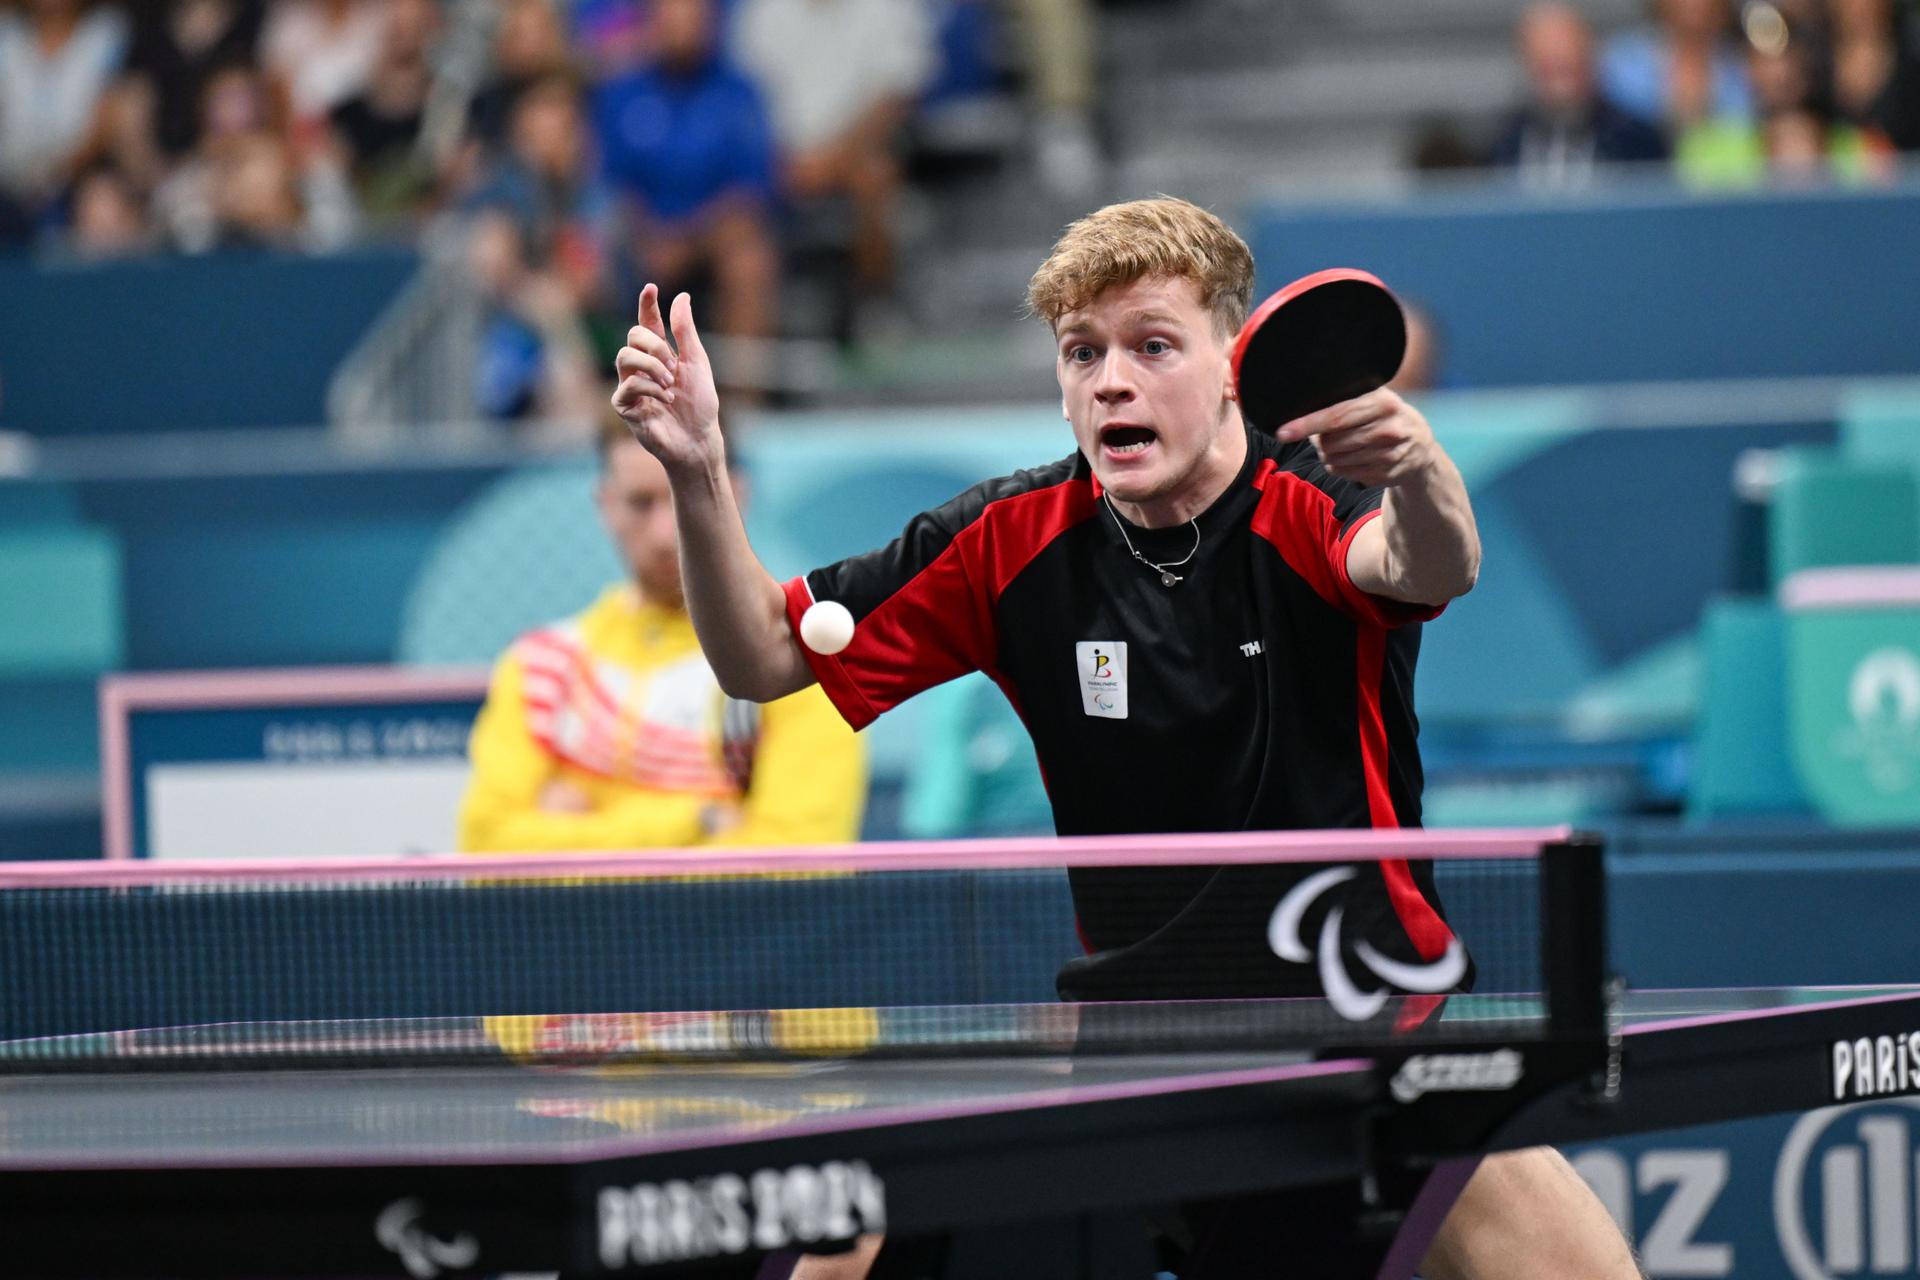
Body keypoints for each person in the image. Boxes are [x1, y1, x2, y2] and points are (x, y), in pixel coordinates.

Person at [609, 196, 1638, 1278]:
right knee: (845, 1243)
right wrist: (696, 469)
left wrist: (1423, 473)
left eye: (1153, 346)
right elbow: (761, 657)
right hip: (1145, 1040)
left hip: (1372, 1022)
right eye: (1082, 352)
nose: (1111, 380)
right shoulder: (1008, 539)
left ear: (1233, 364)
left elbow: (1426, 565)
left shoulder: (1309, 502)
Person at [458, 412, 867, 854]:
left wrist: (573, 833)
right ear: (605, 505)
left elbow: (799, 859)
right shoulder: (540, 664)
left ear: (737, 495)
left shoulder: (804, 660)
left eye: (683, 498)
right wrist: (699, 820)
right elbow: (485, 846)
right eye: (640, 502)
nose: (664, 535)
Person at [1490, 2, 1669, 186]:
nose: (1558, 64)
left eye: (1568, 60)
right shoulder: (1503, 145)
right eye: (1547, 63)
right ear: (1525, 61)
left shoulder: (1639, 142)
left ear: (1591, 53)